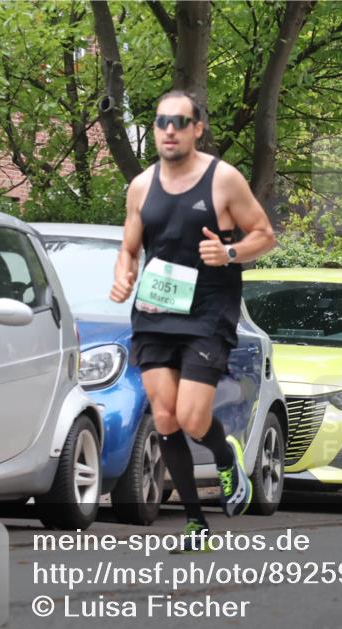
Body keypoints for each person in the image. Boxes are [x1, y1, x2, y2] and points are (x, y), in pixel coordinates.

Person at [110, 90, 276, 545]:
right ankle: (194, 522)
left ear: (197, 128)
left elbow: (264, 235)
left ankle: (225, 457)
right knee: (164, 417)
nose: (169, 130)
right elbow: (129, 249)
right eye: (162, 121)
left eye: (179, 122)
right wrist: (124, 276)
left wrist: (229, 252)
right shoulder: (141, 186)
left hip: (207, 313)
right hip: (154, 312)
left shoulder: (223, 180)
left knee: (191, 417)